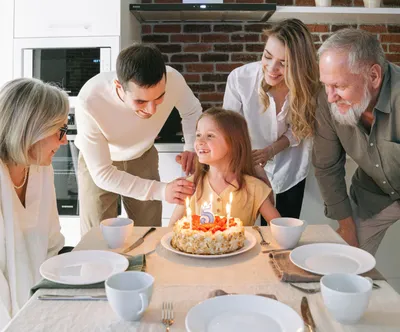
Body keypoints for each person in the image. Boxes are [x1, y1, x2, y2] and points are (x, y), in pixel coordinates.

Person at [75, 43, 201, 235]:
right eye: (140, 101)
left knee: (148, 233)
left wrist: (191, 146)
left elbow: (192, 110)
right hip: (99, 163)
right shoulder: (90, 100)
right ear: (119, 86)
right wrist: (161, 190)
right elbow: (103, 175)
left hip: (143, 157)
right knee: (95, 237)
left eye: (159, 98)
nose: (151, 110)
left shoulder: (174, 79)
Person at [223, 19, 321, 224]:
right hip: (246, 165)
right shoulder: (240, 80)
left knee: (284, 234)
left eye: (284, 64)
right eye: (267, 56)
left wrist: (270, 151)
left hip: (290, 166)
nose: (272, 68)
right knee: (244, 234)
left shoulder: (310, 86)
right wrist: (253, 167)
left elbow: (301, 128)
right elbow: (229, 131)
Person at [314, 28, 400, 255]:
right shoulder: (328, 100)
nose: (331, 97)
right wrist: (346, 226)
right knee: (343, 262)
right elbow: (327, 166)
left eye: (340, 86)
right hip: (373, 194)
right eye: (326, 84)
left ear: (373, 76)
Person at [0, 78, 68, 328]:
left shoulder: (39, 169)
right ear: (32, 130)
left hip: (37, 305)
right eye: (60, 131)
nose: (64, 141)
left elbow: (52, 243)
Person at [169, 108, 280, 226]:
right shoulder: (190, 185)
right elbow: (170, 229)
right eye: (198, 135)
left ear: (234, 143)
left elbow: (279, 229)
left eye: (210, 135)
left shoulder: (254, 187)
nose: (200, 141)